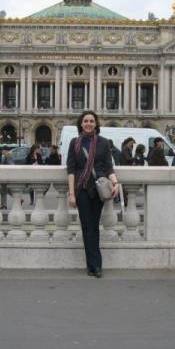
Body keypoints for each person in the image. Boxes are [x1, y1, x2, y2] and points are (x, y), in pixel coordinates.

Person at [67, 110, 119, 278]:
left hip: (98, 188)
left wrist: (115, 182)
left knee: (94, 226)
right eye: (85, 121)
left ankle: (93, 265)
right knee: (87, 227)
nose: (88, 123)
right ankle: (95, 266)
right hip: (81, 188)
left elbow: (108, 166)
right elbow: (71, 169)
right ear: (81, 124)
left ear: (96, 124)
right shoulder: (75, 142)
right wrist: (71, 194)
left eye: (91, 121)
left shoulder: (103, 142)